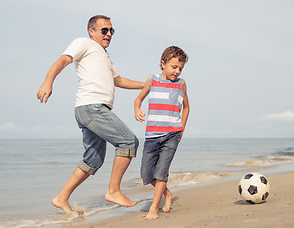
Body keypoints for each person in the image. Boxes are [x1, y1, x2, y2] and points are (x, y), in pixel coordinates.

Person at [36, 15, 144, 214]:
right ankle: (113, 191)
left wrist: (146, 85)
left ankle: (61, 198)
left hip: (91, 110)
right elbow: (63, 60)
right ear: (91, 31)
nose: (109, 34)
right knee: (128, 142)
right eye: (104, 30)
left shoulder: (104, 55)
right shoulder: (84, 43)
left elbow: (118, 81)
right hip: (92, 107)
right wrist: (48, 81)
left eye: (112, 31)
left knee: (93, 160)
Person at [134, 46, 190, 219]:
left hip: (172, 134)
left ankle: (153, 208)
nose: (177, 71)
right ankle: (168, 194)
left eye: (180, 68)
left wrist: (181, 128)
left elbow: (186, 107)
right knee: (146, 174)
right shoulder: (153, 80)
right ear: (163, 63)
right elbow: (138, 99)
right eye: (174, 67)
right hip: (152, 135)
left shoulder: (181, 83)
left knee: (161, 172)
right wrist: (137, 109)